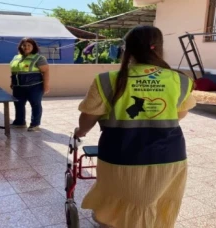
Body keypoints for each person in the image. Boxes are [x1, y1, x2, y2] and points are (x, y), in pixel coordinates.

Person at [74, 26, 196, 228]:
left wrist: (81, 132)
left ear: (127, 49)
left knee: (120, 202)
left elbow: (89, 116)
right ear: (159, 48)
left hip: (120, 156)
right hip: (169, 155)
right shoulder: (179, 79)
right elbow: (180, 113)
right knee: (156, 204)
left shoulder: (107, 80)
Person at [10, 38, 50, 132]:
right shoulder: (16, 57)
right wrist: (12, 83)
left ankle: (35, 124)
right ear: (21, 47)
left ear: (33, 47)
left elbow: (46, 71)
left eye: (29, 45)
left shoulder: (39, 58)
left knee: (35, 104)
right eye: (24, 45)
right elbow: (14, 72)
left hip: (34, 86)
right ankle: (20, 122)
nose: (26, 47)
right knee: (18, 104)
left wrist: (46, 85)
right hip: (18, 87)